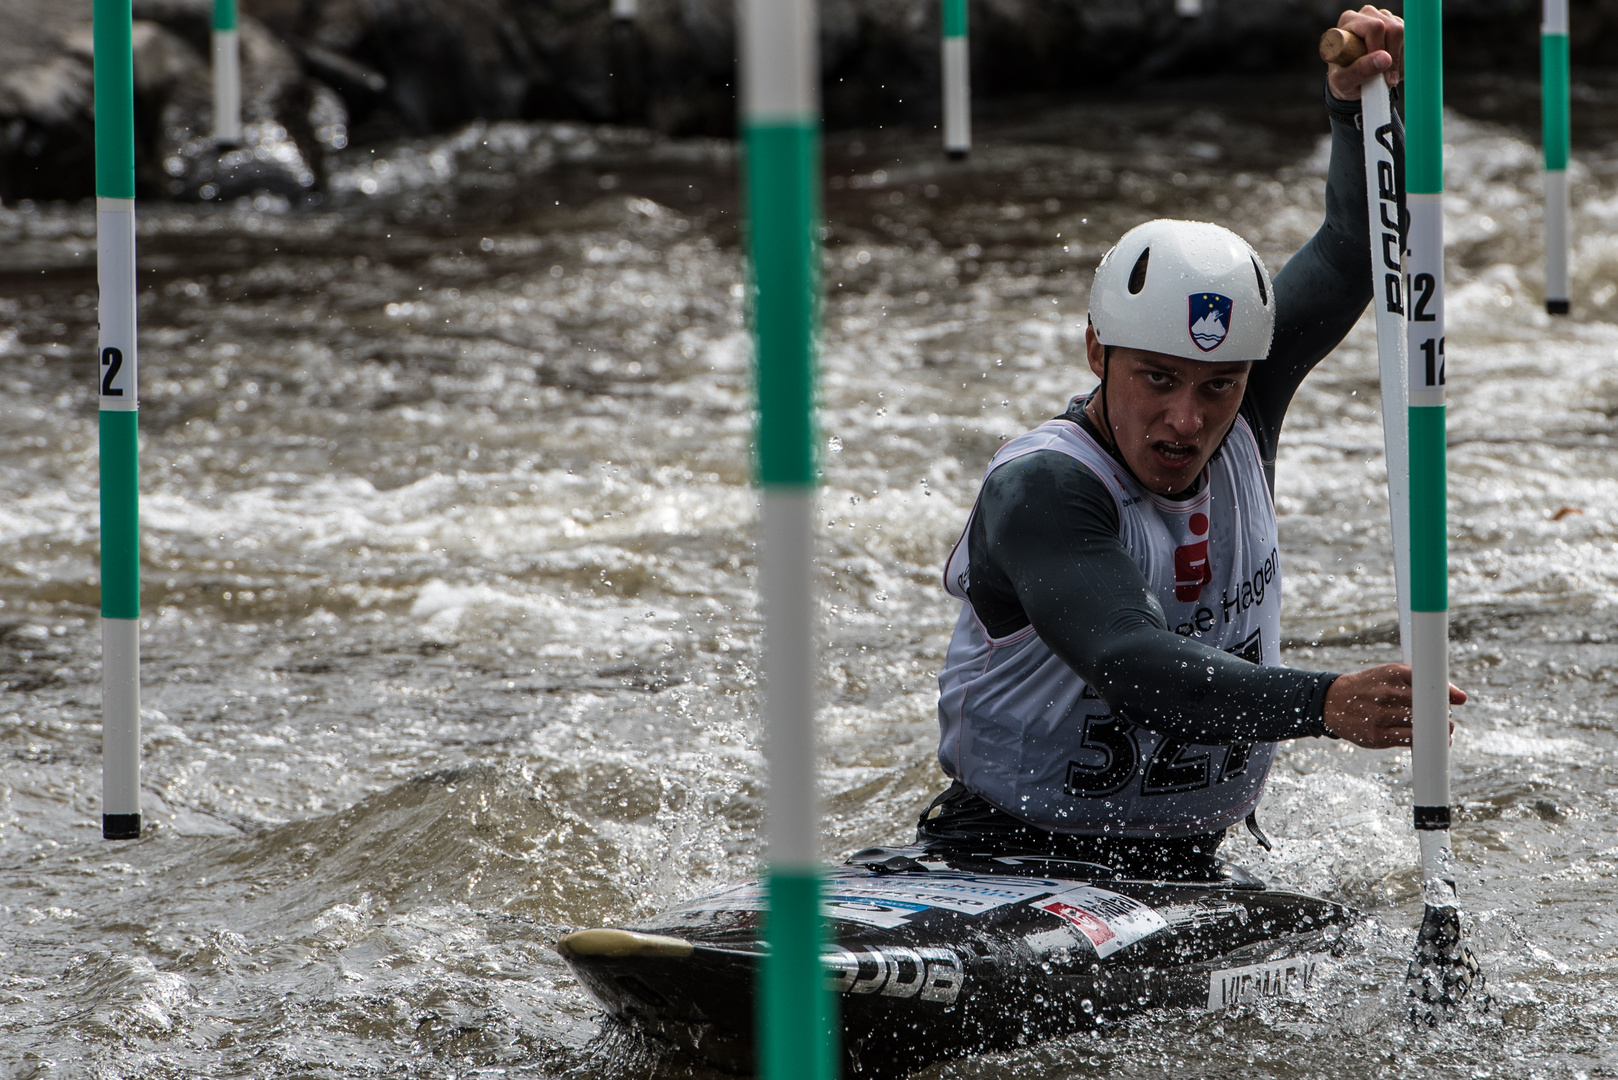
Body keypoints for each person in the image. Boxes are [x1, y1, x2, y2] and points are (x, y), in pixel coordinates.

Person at [920, 7, 1466, 877]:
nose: (1188, 417)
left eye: (1218, 385)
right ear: (1098, 351)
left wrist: (1359, 107)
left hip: (1192, 866)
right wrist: (1328, 703)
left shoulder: (1244, 412)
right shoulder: (1045, 491)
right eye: (1157, 379)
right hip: (1006, 858)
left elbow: (1360, 248)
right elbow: (1134, 667)